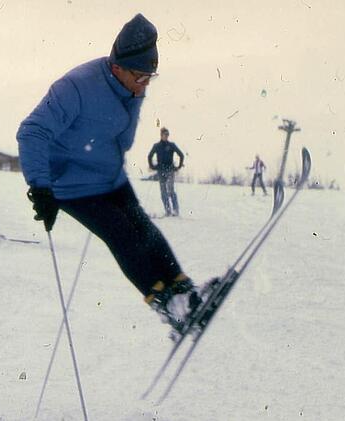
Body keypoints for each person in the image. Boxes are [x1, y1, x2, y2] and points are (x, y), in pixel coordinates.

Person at [17, 14, 206, 337]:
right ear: (117, 66)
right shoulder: (76, 86)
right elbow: (31, 131)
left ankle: (184, 294)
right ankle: (168, 305)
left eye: (150, 77)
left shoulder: (133, 85)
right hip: (73, 186)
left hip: (110, 176)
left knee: (143, 227)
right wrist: (41, 187)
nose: (144, 85)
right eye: (140, 76)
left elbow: (121, 133)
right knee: (122, 233)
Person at [147, 127, 184, 216]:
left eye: (167, 135)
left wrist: (178, 167)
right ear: (161, 135)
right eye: (165, 134)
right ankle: (168, 211)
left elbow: (181, 155)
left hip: (170, 170)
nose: (166, 136)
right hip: (160, 171)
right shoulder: (156, 146)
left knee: (170, 190)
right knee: (163, 191)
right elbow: (149, 156)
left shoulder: (172, 145)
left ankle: (175, 210)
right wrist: (153, 166)